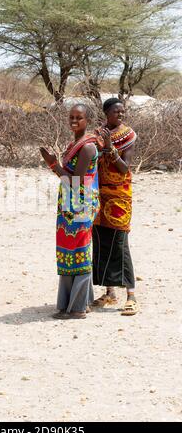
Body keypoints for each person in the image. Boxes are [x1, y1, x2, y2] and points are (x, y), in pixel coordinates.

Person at [40, 104, 102, 319]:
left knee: (79, 249)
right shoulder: (74, 144)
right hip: (70, 202)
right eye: (72, 117)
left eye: (79, 117)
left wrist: (52, 164)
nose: (74, 121)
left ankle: (76, 308)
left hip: (81, 201)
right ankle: (79, 302)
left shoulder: (87, 147)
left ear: (88, 120)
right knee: (69, 248)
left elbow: (76, 181)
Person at [92, 97, 138, 316]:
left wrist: (111, 149)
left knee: (120, 243)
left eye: (122, 112)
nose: (120, 115)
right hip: (98, 195)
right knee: (101, 241)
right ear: (106, 114)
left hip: (119, 197)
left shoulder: (128, 135)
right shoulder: (97, 134)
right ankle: (109, 292)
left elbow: (124, 169)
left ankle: (131, 295)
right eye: (116, 112)